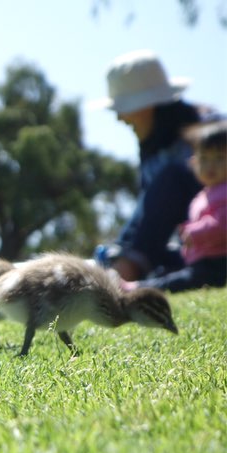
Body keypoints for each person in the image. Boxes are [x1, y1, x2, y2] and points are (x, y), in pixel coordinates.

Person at [92, 49, 204, 281]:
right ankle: (123, 267)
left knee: (173, 177)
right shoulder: (153, 147)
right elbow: (147, 211)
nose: (119, 118)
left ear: (149, 105)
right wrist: (121, 249)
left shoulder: (211, 135)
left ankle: (125, 273)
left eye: (123, 109)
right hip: (192, 249)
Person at [122, 120, 226, 293]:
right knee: (169, 268)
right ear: (193, 163)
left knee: (186, 280)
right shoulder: (203, 195)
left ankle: (138, 288)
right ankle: (145, 281)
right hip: (201, 258)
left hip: (218, 263)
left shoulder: (224, 191)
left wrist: (195, 232)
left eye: (220, 158)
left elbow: (223, 223)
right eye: (204, 159)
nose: (211, 166)